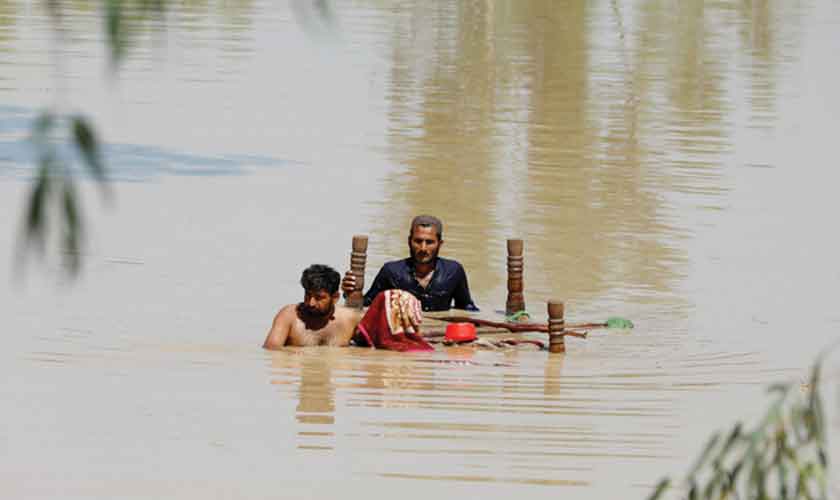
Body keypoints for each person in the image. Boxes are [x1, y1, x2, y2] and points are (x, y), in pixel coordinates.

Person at [341, 215, 479, 312]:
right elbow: (366, 305)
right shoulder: (392, 271)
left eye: (429, 242)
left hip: (438, 337)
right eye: (418, 241)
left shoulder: (453, 271)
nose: (423, 248)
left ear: (440, 244)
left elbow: (466, 309)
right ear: (409, 241)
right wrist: (349, 293)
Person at [263, 264, 362, 349]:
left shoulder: (351, 320)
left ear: (335, 298)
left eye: (319, 298)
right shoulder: (288, 317)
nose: (311, 303)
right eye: (308, 295)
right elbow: (271, 353)